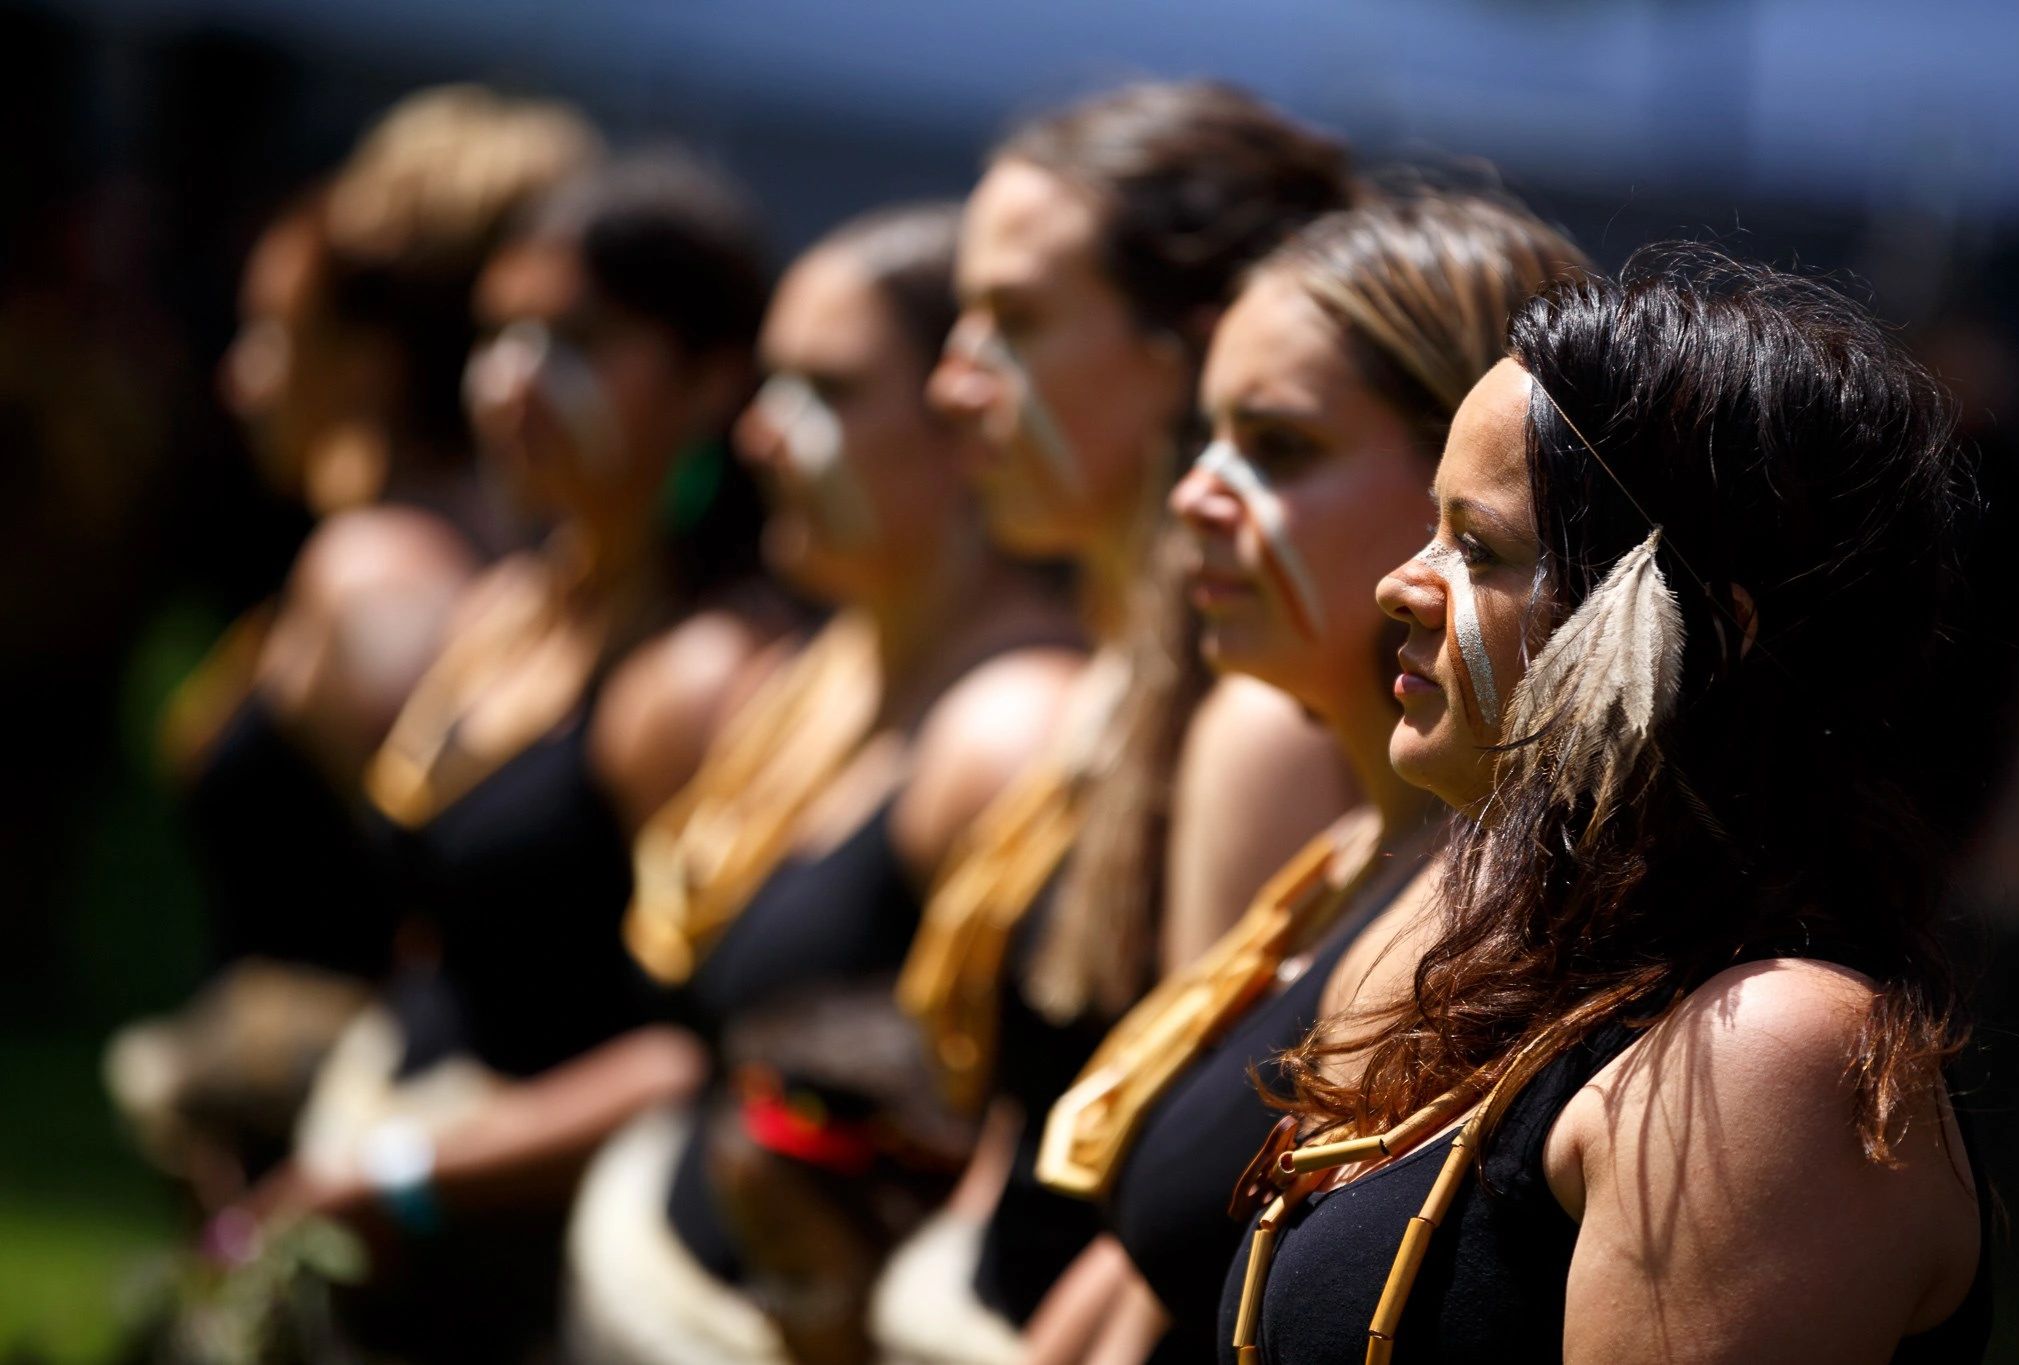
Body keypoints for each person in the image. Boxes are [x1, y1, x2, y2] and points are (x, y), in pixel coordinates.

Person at [1220, 246, 1991, 1362]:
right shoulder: (1488, 945)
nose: (1400, 583)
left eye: (1476, 548)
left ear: (1709, 635)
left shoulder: (1767, 1058)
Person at [223, 149, 789, 1361]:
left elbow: (694, 1051)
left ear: (707, 382)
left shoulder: (705, 678)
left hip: (518, 1269)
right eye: (500, 335)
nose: (513, 383)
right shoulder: (511, 600)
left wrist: (408, 1173)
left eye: (576, 342)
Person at [1023, 186, 1590, 1362]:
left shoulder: (1492, 901)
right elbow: (1146, 1265)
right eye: (1204, 438)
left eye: (1277, 447)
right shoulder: (1351, 832)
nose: (1192, 496)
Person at [879, 82, 1360, 1359]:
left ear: (1181, 355)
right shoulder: (1128, 670)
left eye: (1016, 321)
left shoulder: (1260, 723)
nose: (950, 381)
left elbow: (1184, 1201)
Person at [561, 200, 1083, 1365]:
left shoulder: (1013, 734)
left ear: (967, 424)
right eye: (769, 384)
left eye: (827, 391)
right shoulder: (815, 682)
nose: (758, 433)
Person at [109, 87, 600, 1204]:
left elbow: (460, 891)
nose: (240, 378)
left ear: (371, 357)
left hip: (342, 1181)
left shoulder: (381, 575)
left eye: (278, 334)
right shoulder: (444, 555)